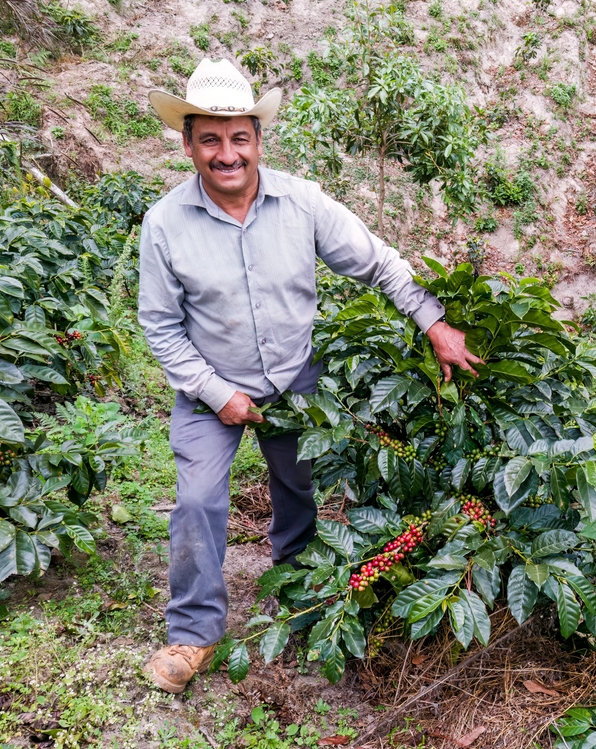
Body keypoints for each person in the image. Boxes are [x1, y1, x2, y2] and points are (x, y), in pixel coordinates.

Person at [138, 58, 482, 693]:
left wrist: (434, 322)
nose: (226, 153)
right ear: (187, 143)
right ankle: (193, 632)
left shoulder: (301, 203)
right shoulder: (164, 225)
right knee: (198, 500)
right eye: (209, 138)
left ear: (258, 140)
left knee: (297, 489)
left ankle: (293, 592)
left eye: (239, 137)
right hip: (207, 386)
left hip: (294, 379)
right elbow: (160, 326)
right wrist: (218, 394)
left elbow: (377, 263)